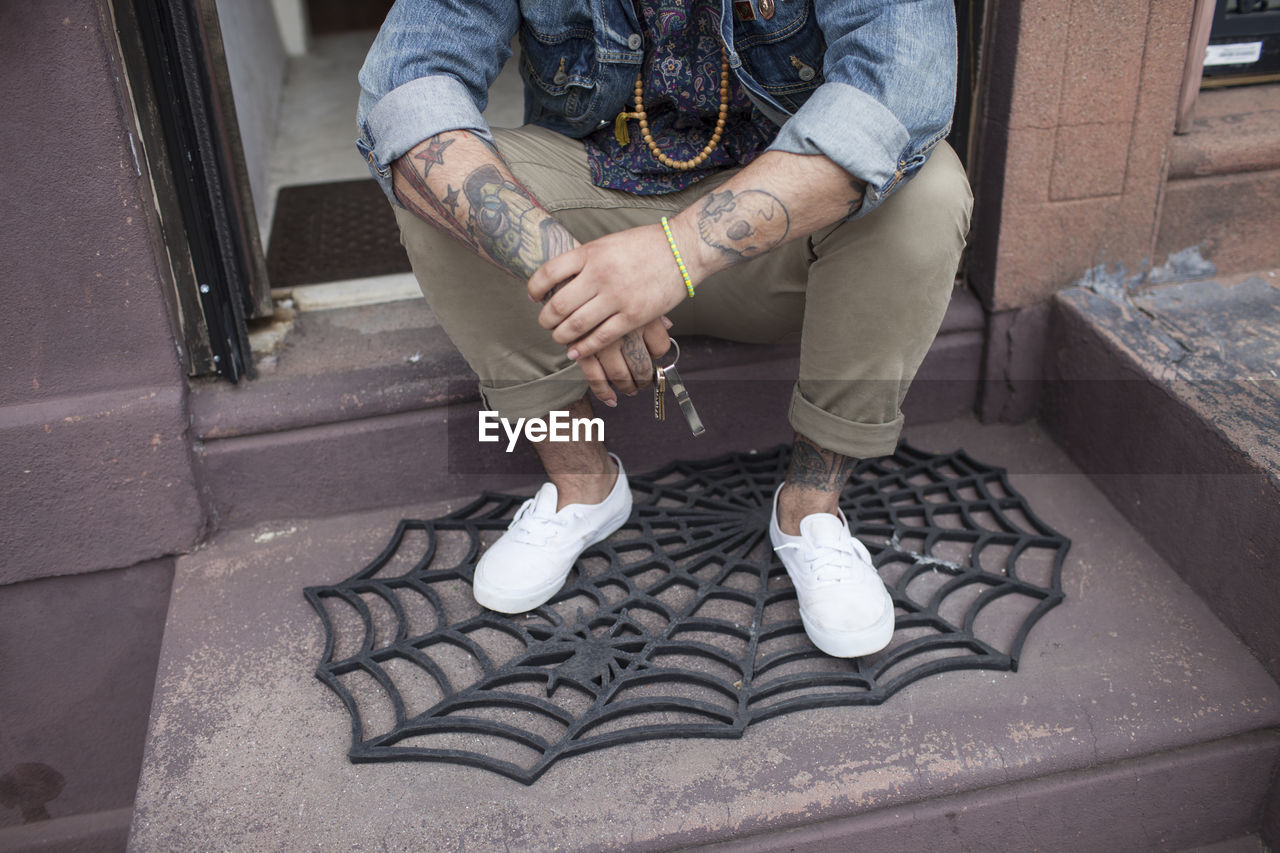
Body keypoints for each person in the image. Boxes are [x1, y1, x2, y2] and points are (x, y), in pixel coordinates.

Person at [356, 0, 972, 658]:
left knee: (925, 188)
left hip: (780, 231)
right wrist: (577, 279)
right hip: (599, 207)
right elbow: (407, 86)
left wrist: (675, 254)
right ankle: (582, 482)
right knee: (437, 179)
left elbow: (900, 95)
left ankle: (810, 510)